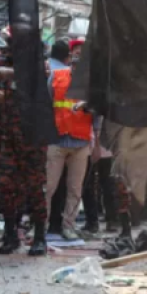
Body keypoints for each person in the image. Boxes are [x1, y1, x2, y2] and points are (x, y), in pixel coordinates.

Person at [0, 33, 48, 255]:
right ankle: (11, 234)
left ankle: (40, 236)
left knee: (34, 188)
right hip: (9, 138)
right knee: (6, 187)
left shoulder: (38, 66)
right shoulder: (5, 65)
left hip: (33, 140)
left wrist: (10, 73)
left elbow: (37, 74)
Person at [44, 39, 96, 240]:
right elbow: (47, 106)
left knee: (75, 190)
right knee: (48, 187)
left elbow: (97, 114)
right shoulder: (56, 78)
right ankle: (41, 225)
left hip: (81, 143)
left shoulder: (91, 85)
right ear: (70, 63)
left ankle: (69, 226)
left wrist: (96, 143)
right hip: (57, 140)